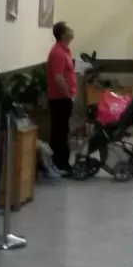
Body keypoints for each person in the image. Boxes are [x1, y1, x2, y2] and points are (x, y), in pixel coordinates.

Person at [45, 22, 78, 175]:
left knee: (63, 131)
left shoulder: (65, 51)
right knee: (60, 132)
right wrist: (68, 95)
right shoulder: (58, 53)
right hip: (60, 99)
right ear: (63, 35)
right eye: (69, 29)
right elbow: (58, 77)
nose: (72, 30)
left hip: (64, 98)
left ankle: (60, 162)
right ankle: (60, 164)